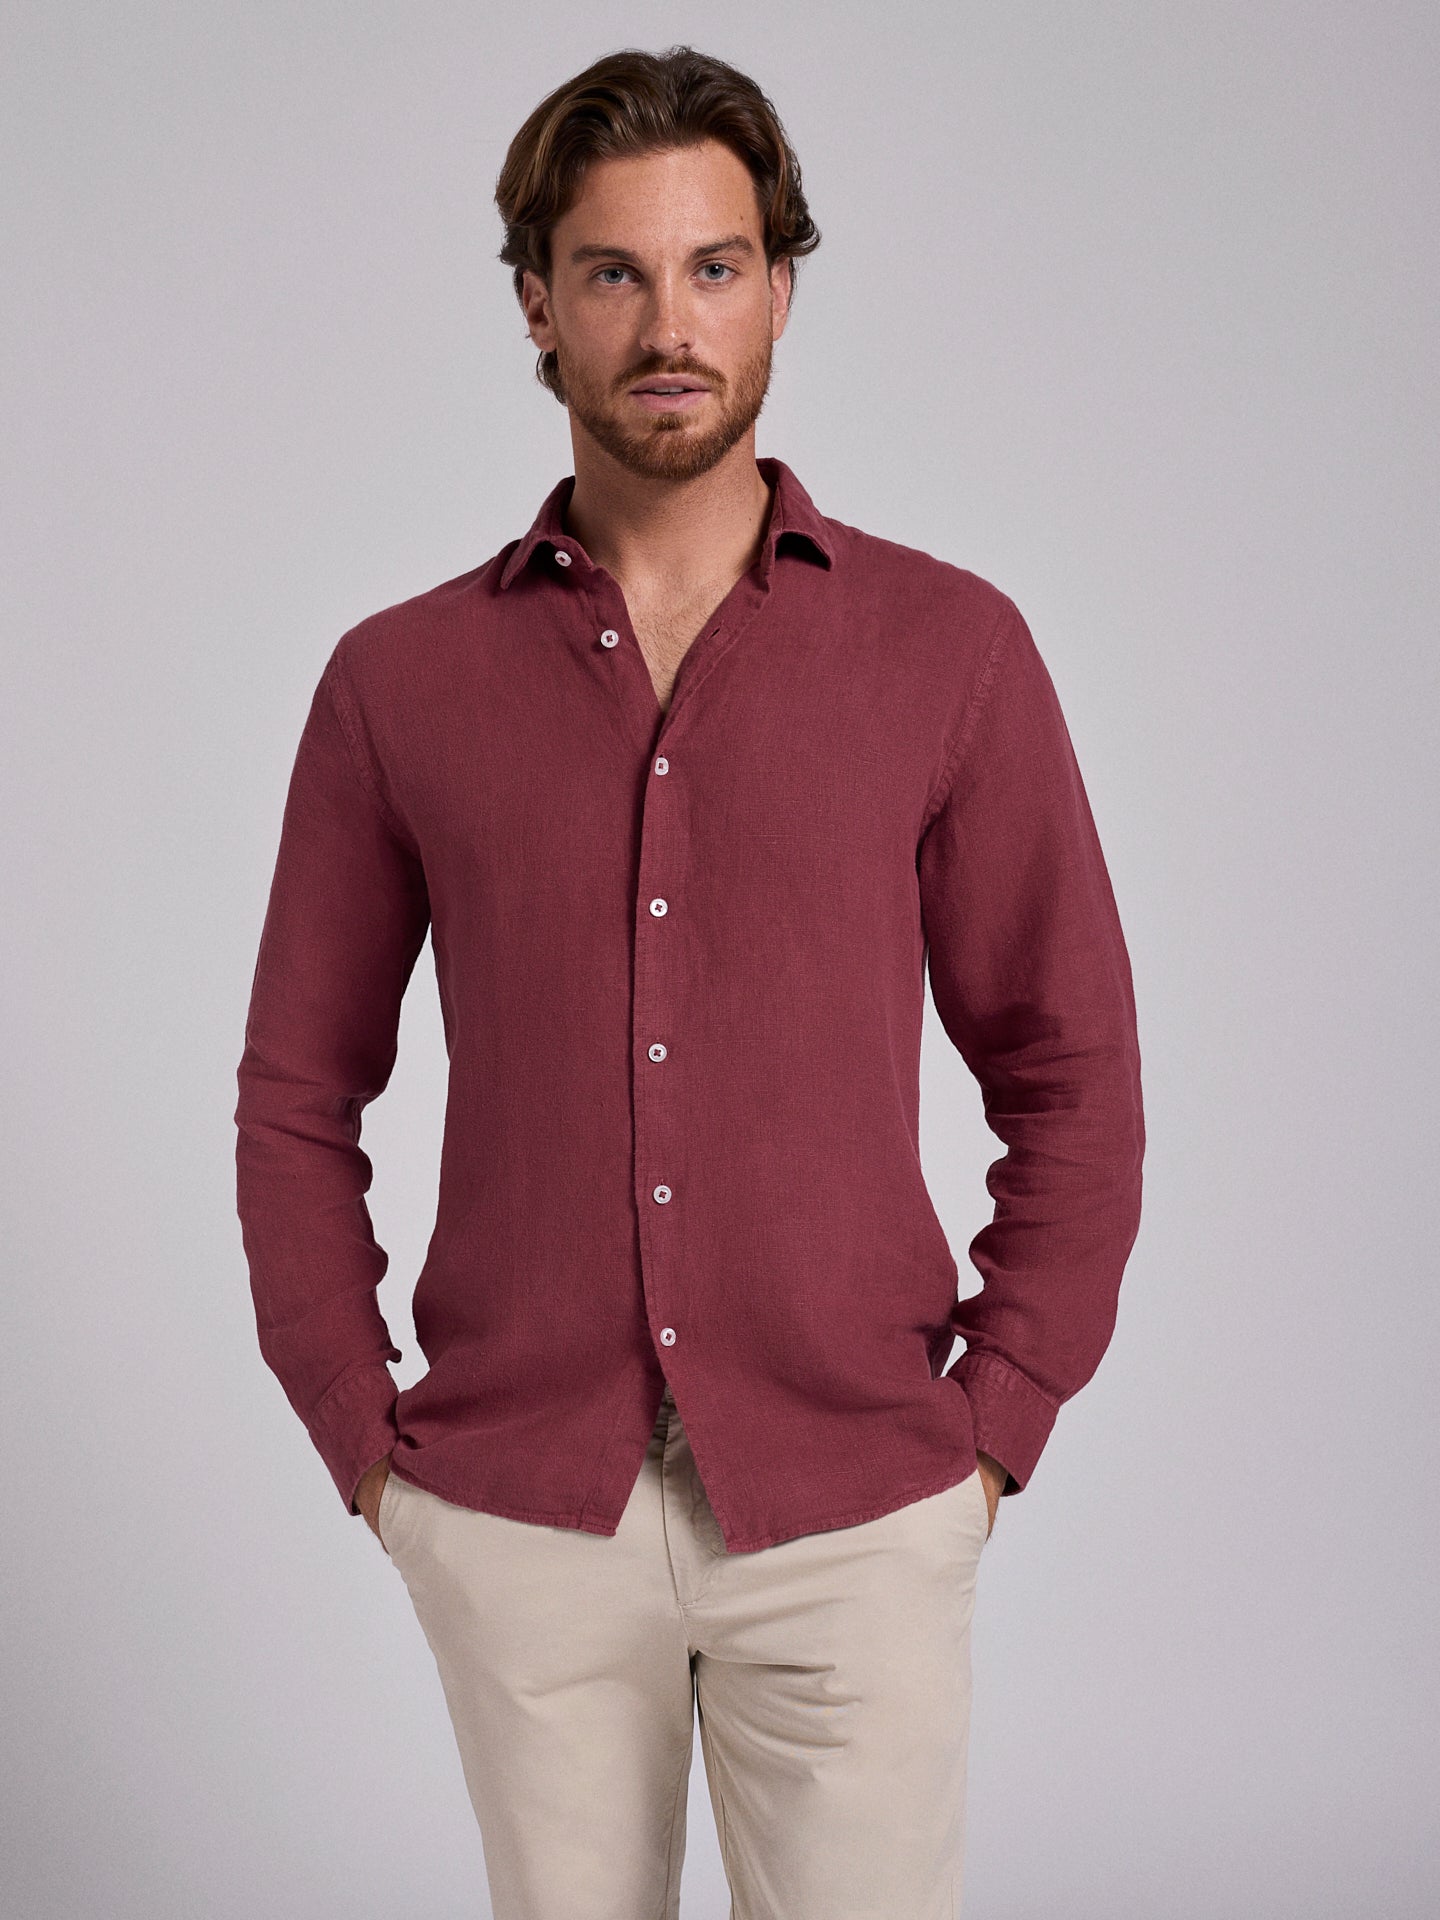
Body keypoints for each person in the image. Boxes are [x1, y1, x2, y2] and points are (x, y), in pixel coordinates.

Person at [234, 42, 1145, 1920]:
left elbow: (1070, 1068)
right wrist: (365, 1441)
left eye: (717, 267)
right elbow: (296, 1096)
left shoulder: (950, 652)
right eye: (616, 272)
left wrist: (995, 1429)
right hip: (521, 1519)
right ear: (537, 304)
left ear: (782, 289)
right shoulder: (399, 685)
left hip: (858, 1512)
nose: (671, 325)